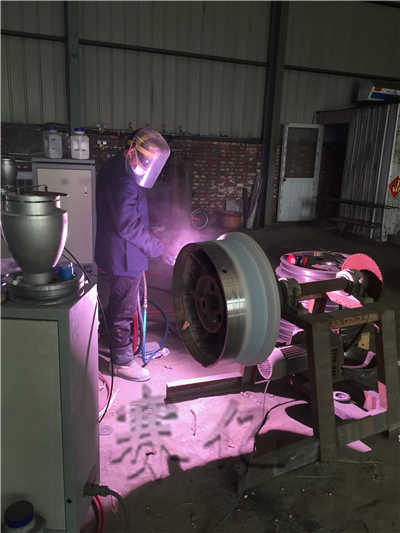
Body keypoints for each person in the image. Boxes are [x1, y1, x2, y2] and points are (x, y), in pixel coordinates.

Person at [95, 127, 170, 381]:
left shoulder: (116, 167)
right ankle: (122, 361)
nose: (146, 167)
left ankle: (123, 345)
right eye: (146, 161)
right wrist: (156, 247)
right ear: (131, 151)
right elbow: (127, 225)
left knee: (123, 302)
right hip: (125, 256)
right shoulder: (124, 181)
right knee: (124, 308)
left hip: (116, 252)